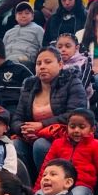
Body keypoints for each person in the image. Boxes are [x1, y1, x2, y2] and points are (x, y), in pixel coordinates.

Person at [11, 46, 88, 174]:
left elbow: (75, 115)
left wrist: (41, 126)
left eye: (48, 62)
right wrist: (24, 129)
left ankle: (50, 182)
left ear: (60, 64)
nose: (42, 66)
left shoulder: (72, 82)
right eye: (38, 63)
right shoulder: (29, 85)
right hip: (32, 136)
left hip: (64, 137)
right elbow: (16, 118)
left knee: (41, 144)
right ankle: (28, 186)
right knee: (15, 145)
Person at [35, 109, 98, 195]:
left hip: (82, 186)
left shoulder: (97, 145)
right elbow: (45, 168)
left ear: (92, 129)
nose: (76, 130)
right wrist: (37, 189)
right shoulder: (58, 144)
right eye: (72, 126)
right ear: (67, 127)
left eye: (82, 127)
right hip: (57, 184)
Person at [3, 2, 43, 68]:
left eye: (27, 13)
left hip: (26, 61)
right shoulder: (9, 32)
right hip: (8, 60)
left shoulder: (38, 29)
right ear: (15, 17)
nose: (23, 16)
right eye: (20, 13)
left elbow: (43, 47)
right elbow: (2, 50)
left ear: (32, 16)